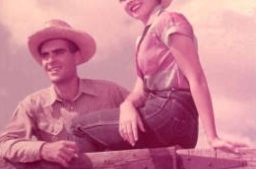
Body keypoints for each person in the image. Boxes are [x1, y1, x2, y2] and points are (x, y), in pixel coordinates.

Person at [71, 0, 246, 153]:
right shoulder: (141, 39)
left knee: (79, 128)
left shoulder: (169, 20)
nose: (130, 1)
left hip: (170, 110)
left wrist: (212, 136)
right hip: (168, 118)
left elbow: (196, 77)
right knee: (108, 146)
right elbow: (140, 90)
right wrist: (127, 105)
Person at [0, 19, 128, 167]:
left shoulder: (110, 92)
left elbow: (147, 117)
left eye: (59, 52)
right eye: (45, 55)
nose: (51, 60)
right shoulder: (32, 104)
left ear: (76, 57)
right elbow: (3, 145)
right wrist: (43, 149)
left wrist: (129, 105)